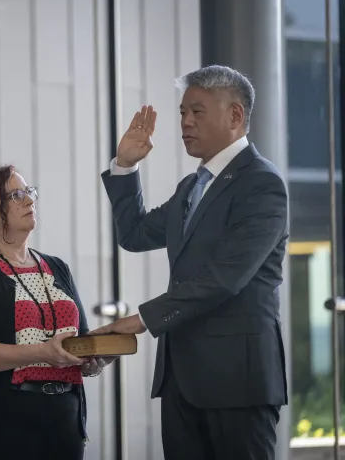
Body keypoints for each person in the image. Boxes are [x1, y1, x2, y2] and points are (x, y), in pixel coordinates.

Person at [92, 65, 288, 460]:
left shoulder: (263, 184)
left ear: (235, 116)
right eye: (182, 113)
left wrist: (140, 320)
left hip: (237, 383)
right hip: (181, 381)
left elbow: (225, 278)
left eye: (197, 112)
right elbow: (134, 235)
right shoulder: (192, 186)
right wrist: (125, 167)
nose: (185, 122)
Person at [0, 165, 113, 460]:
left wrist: (96, 357)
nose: (30, 201)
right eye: (16, 195)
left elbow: (78, 340)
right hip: (2, 426)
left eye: (29, 192)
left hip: (65, 423)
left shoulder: (57, 267)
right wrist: (42, 352)